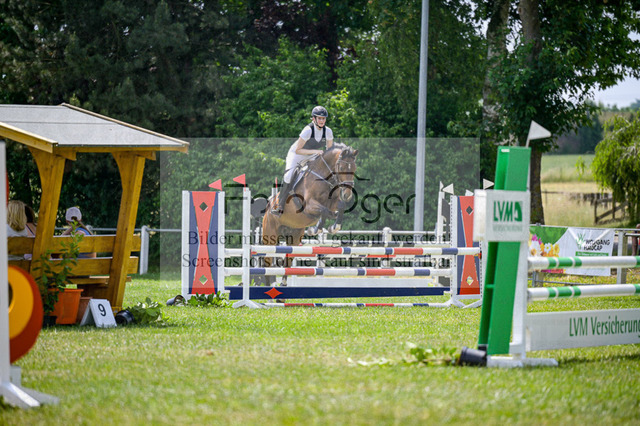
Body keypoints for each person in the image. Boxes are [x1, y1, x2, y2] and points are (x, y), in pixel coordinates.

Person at [272, 106, 334, 216]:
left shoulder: (328, 131)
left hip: (313, 155)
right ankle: (279, 205)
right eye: (319, 118)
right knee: (288, 176)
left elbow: (329, 151)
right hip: (297, 154)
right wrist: (316, 151)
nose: (321, 121)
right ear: (314, 119)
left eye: (323, 118)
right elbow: (298, 150)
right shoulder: (308, 130)